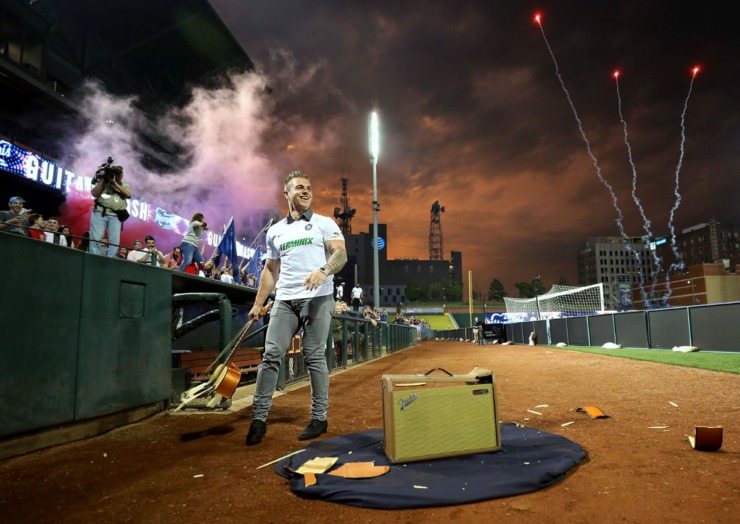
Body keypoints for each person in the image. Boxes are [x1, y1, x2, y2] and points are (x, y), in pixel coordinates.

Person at [245, 170, 347, 446]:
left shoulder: (324, 223)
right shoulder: (275, 231)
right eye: (299, 187)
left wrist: (324, 271)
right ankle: (259, 419)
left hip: (318, 298)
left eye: (309, 188)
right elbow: (270, 269)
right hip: (285, 300)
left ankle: (319, 418)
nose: (306, 191)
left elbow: (340, 253)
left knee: (314, 356)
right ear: (286, 194)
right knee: (270, 354)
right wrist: (258, 303)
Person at [89, 162, 131, 256]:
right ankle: (94, 259)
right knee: (95, 238)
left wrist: (114, 183)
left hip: (115, 216)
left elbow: (128, 195)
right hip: (99, 212)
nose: (119, 175)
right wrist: (102, 180)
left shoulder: (125, 186)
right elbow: (94, 194)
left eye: (120, 173)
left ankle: (109, 261)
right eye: (116, 173)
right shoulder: (102, 182)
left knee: (114, 242)